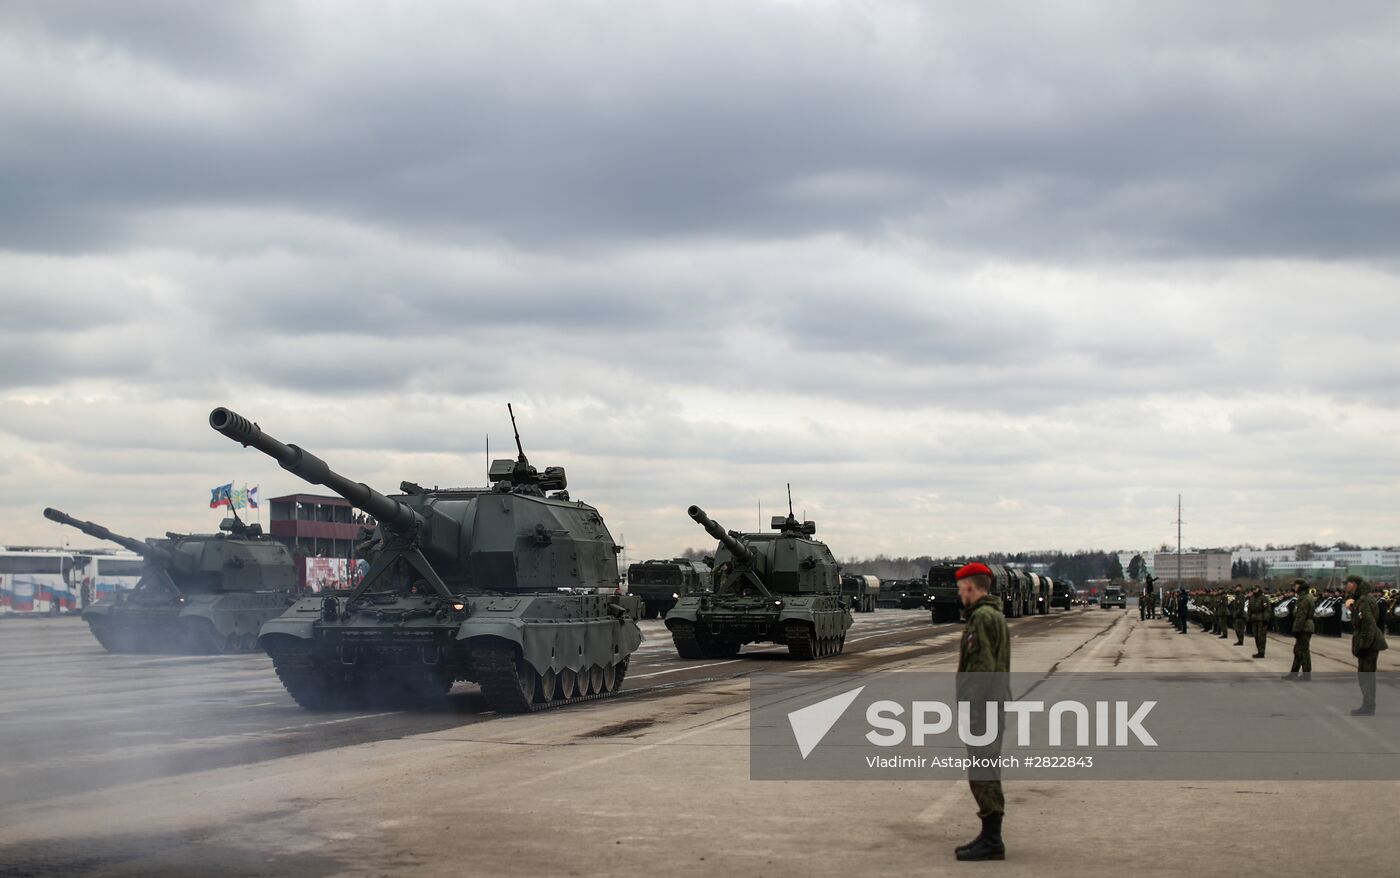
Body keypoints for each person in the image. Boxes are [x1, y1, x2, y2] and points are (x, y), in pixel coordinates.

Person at [953, 561, 1010, 861]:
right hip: (992, 705)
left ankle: (992, 840)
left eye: (961, 588)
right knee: (986, 767)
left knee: (983, 770)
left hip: (984, 708)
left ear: (972, 587)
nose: (959, 593)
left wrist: (973, 709)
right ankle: (990, 836)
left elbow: (982, 668)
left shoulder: (981, 618)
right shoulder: (994, 615)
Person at [1346, 575, 1389, 716]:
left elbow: (1368, 625)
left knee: (1366, 677)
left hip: (1369, 644)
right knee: (1365, 676)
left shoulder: (1364, 600)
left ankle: (1368, 706)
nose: (1347, 585)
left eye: (1350, 583)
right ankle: (1368, 704)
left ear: (1356, 584)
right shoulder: (1361, 600)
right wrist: (1352, 608)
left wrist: (1364, 646)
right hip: (1369, 642)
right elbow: (1361, 619)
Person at [1283, 579, 1315, 681]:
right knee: (1298, 651)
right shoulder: (1302, 597)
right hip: (1303, 626)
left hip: (1304, 627)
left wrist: (1297, 629)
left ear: (1300, 586)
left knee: (1303, 651)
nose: (1294, 587)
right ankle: (1294, 673)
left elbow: (1302, 615)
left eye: (1295, 585)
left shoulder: (1305, 598)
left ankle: (1306, 675)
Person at [1246, 584, 1270, 658]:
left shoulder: (1263, 598)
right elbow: (1249, 609)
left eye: (1255, 589)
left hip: (1261, 619)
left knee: (1261, 637)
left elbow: (1267, 609)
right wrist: (1248, 617)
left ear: (1258, 589)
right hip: (1254, 619)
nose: (1254, 590)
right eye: (1253, 589)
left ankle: (1262, 652)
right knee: (1256, 636)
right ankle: (1259, 650)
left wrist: (1266, 619)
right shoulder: (1252, 598)